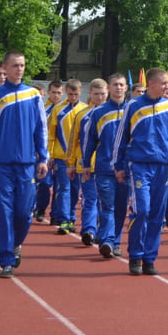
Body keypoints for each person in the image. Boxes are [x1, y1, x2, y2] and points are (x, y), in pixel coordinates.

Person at [0, 51, 49, 278]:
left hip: (27, 164)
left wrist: (43, 158)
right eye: (15, 65)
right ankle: (6, 260)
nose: (20, 69)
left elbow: (41, 129)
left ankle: (17, 243)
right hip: (1, 164)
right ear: (5, 69)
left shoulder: (33, 96)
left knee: (24, 213)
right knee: (5, 213)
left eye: (22, 65)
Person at [112, 67, 168, 275]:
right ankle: (135, 255)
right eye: (164, 83)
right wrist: (117, 165)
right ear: (151, 84)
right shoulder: (133, 106)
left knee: (157, 214)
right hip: (138, 166)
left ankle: (149, 258)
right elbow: (121, 137)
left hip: (161, 167)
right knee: (142, 210)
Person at [81, 73, 129, 258]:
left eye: (121, 85)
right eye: (115, 84)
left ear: (126, 88)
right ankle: (108, 241)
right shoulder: (98, 113)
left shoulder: (132, 111)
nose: (118, 88)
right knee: (107, 206)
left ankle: (115, 240)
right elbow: (89, 140)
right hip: (104, 168)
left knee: (121, 207)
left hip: (125, 170)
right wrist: (86, 163)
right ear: (109, 88)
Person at [70, 79, 107, 246]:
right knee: (89, 199)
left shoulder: (114, 114)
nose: (99, 97)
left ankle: (104, 232)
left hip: (107, 166)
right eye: (96, 94)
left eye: (102, 94)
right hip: (86, 166)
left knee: (106, 201)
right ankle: (89, 230)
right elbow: (74, 141)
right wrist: (71, 163)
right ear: (90, 94)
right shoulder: (81, 115)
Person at [48, 79, 86, 234]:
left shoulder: (85, 110)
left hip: (79, 158)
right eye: (70, 94)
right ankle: (64, 219)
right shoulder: (58, 110)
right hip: (61, 156)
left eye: (76, 94)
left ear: (80, 92)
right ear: (66, 93)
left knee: (75, 189)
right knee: (64, 187)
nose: (73, 97)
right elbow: (51, 134)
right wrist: (49, 154)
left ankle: (71, 216)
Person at [34, 80, 63, 222]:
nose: (56, 95)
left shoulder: (65, 110)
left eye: (58, 93)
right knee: (44, 183)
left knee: (59, 185)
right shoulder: (42, 109)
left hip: (60, 153)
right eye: (53, 92)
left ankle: (56, 214)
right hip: (42, 152)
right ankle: (40, 208)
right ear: (48, 93)